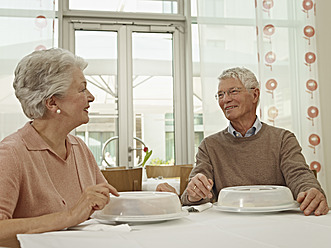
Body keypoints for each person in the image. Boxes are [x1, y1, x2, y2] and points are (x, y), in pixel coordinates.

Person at [0, 48, 119, 242]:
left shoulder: (79, 147)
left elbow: (106, 206)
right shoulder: (11, 153)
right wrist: (70, 216)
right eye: (82, 89)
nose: (91, 97)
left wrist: (159, 201)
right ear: (52, 103)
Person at [180, 67, 328, 216]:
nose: (225, 99)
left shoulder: (283, 139)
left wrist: (311, 191)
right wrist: (194, 193)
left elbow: (299, 175)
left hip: (276, 223)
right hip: (228, 225)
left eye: (233, 91)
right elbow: (191, 195)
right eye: (220, 94)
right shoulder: (209, 146)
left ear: (255, 95)